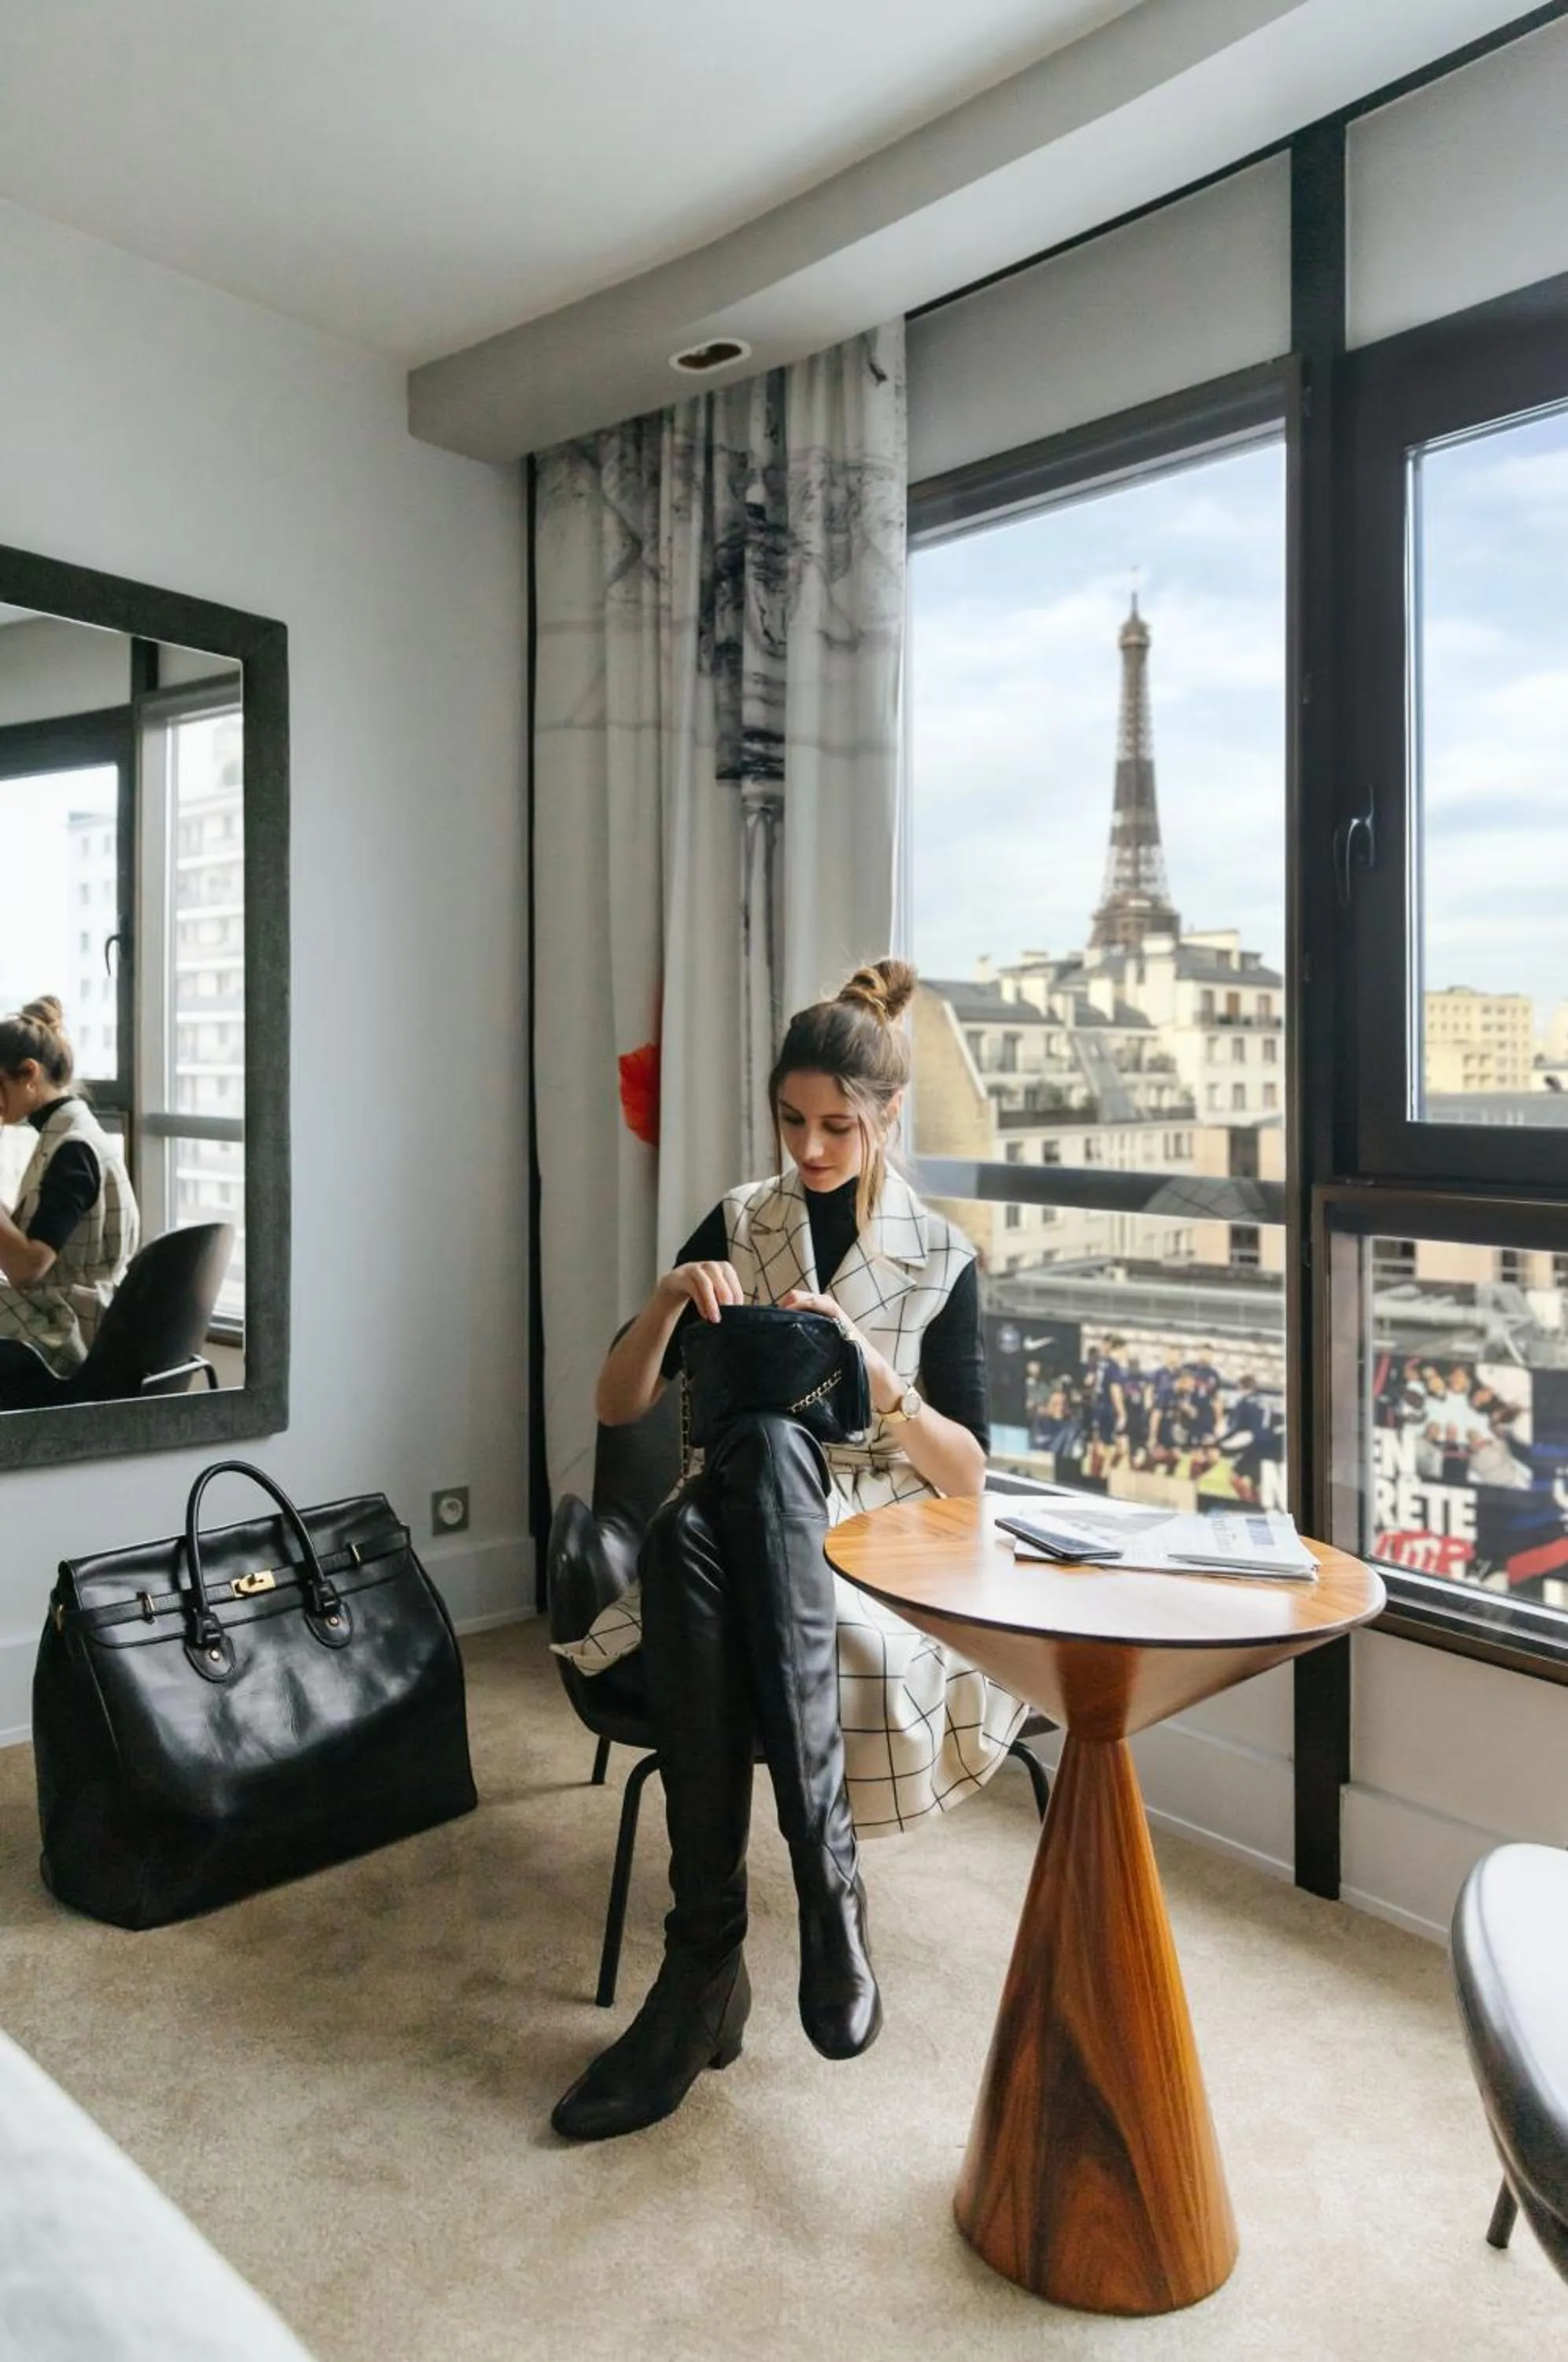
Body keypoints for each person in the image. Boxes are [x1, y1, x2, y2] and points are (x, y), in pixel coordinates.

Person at [549, 959, 1024, 2142]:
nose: (810, 1149)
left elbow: (970, 1477)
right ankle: (824, 1891)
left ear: (886, 1117)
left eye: (837, 1126)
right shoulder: (741, 1218)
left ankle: (702, 1969)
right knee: (746, 1461)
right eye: (791, 1122)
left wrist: (879, 1383)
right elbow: (618, 1410)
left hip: (874, 1550)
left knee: (719, 1501)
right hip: (741, 1530)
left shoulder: (942, 1256)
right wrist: (665, 1304)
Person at [0, 999, 139, 1406]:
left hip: (72, 1325)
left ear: (29, 1073)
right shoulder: (76, 1131)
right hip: (90, 1311)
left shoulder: (71, 1150)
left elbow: (28, 1268)